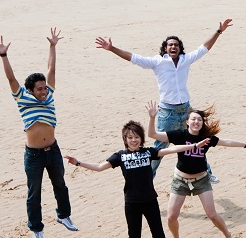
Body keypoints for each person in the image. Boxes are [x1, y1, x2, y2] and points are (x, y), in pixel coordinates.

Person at [64, 122, 209, 238]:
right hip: (132, 203)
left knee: (158, 234)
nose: (134, 140)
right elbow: (99, 167)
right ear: (125, 139)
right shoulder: (120, 156)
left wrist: (195, 145)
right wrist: (78, 162)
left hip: (150, 200)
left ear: (141, 139)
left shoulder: (148, 152)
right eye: (130, 137)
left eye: (137, 137)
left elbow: (171, 150)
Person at [95, 19, 232, 180]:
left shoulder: (185, 60)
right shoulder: (158, 62)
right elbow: (134, 58)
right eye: (170, 45)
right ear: (165, 48)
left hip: (186, 110)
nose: (173, 47)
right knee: (159, 147)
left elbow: (204, 48)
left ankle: (206, 172)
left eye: (176, 45)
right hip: (168, 112)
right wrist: (111, 48)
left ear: (180, 48)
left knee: (197, 140)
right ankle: (148, 177)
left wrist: (219, 31)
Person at [0, 29, 78, 238]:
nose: (44, 92)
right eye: (39, 89)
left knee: (60, 185)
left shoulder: (50, 95)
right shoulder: (22, 98)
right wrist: (4, 55)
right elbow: (11, 78)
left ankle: (63, 215)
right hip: (34, 155)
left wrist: (52, 46)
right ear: (30, 90)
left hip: (53, 150)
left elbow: (52, 68)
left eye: (45, 88)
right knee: (34, 192)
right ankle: (36, 228)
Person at [147, 101, 246, 238]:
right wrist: (152, 117)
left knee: (212, 215)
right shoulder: (179, 135)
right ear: (187, 121)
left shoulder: (207, 138)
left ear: (202, 123)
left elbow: (226, 142)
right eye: (193, 119)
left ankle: (228, 235)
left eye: (199, 120)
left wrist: (245, 144)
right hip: (180, 181)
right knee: (171, 217)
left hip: (201, 180)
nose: (196, 122)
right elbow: (152, 134)